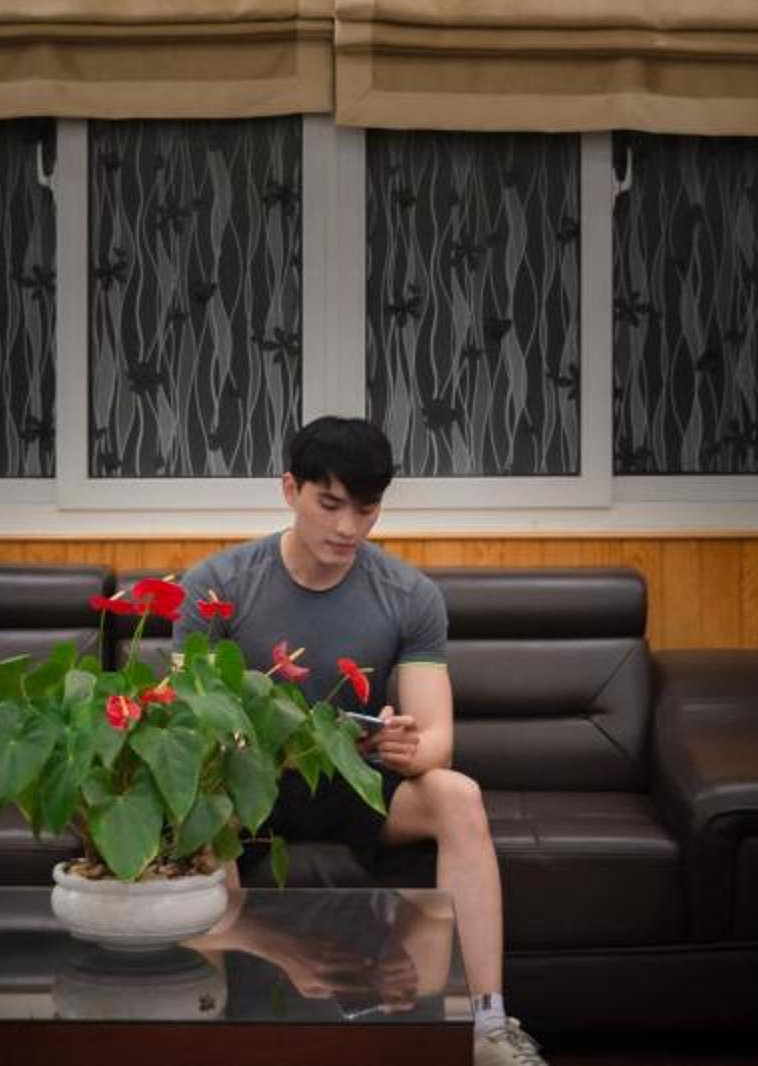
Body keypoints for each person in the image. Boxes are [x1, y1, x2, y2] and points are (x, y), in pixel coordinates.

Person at [173, 416, 544, 1066]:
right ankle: (213, 1028)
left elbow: (437, 740)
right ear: (290, 489)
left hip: (359, 784)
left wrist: (407, 746)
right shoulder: (218, 585)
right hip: (248, 788)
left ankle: (488, 1025)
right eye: (330, 504)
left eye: (366, 510)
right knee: (196, 807)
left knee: (458, 794)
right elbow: (187, 721)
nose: (348, 527)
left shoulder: (411, 596)